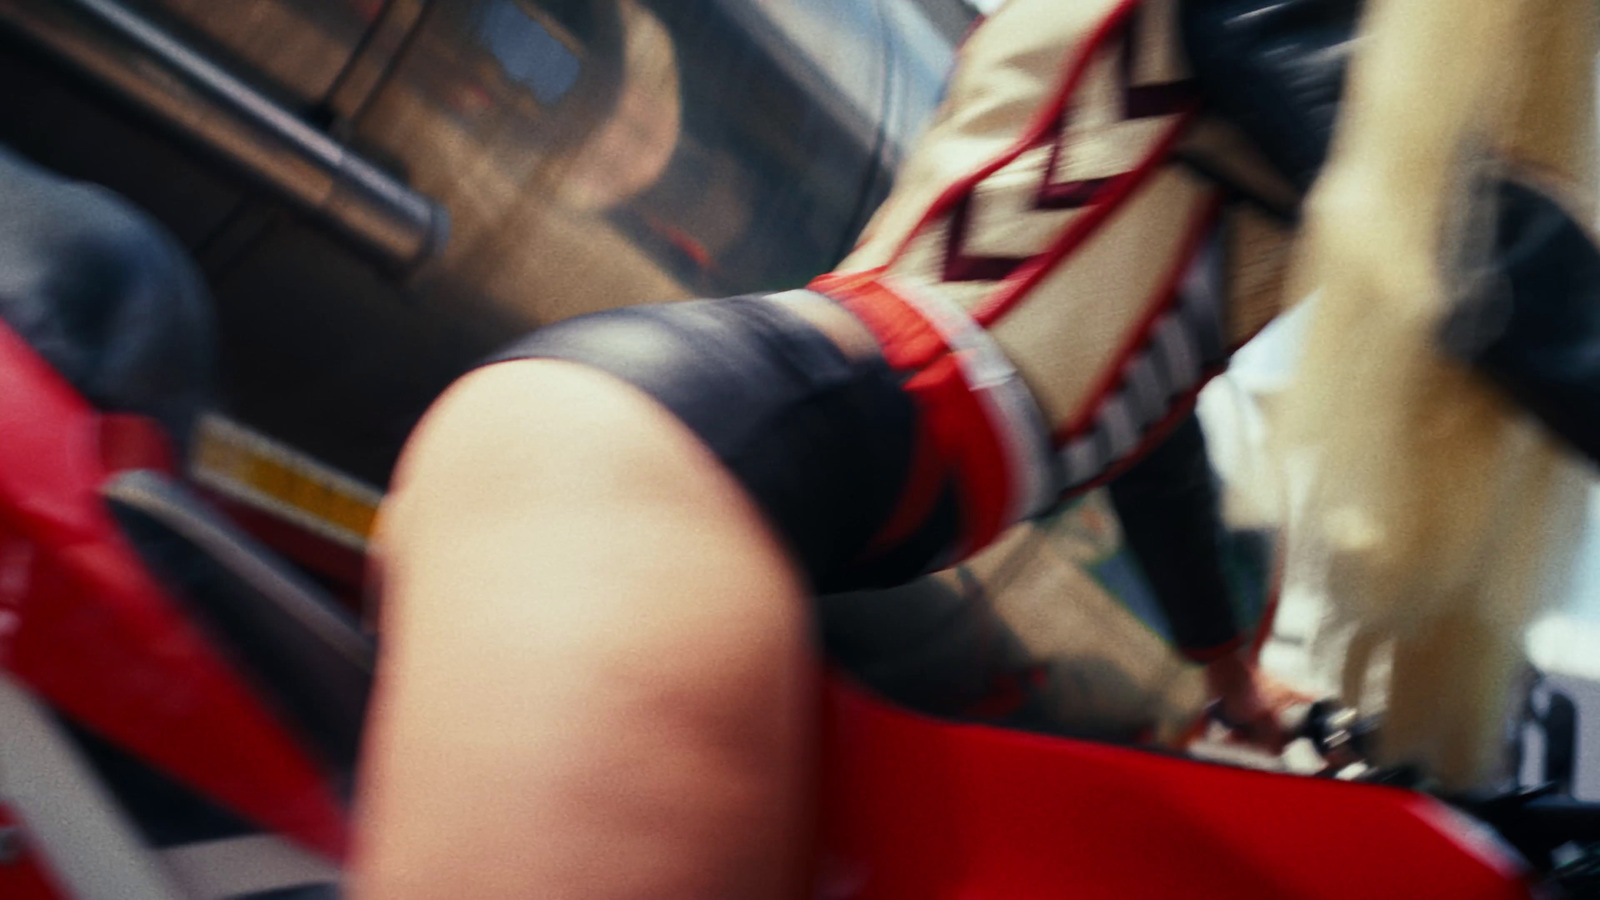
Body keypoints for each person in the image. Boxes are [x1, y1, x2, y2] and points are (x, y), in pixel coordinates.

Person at [354, 0, 1597, 894]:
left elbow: (1145, 437)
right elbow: (1505, 267)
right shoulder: (1312, 47)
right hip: (644, 467)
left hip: (665, 466)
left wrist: (1228, 672)